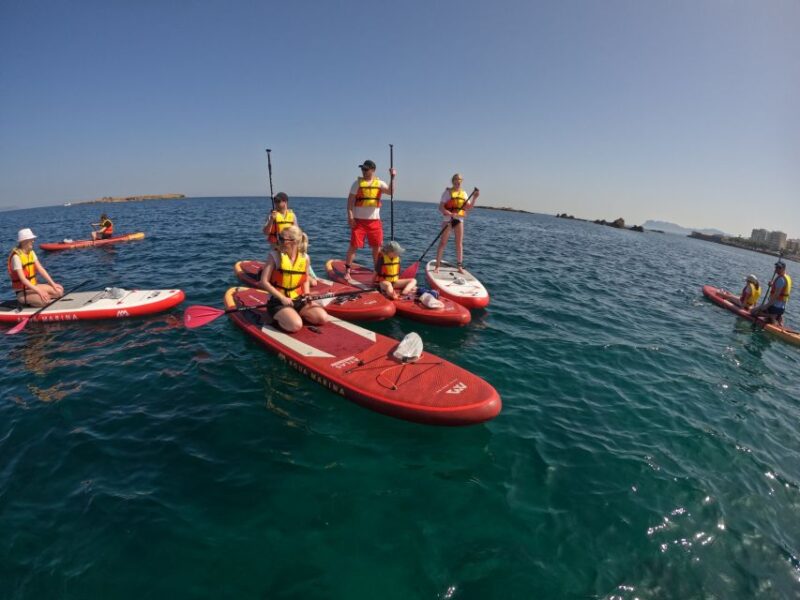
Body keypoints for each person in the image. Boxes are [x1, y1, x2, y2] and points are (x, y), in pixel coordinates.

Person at [258, 226, 329, 332]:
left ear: (294, 241)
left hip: (299, 299)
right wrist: (282, 298)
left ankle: (293, 314)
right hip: (278, 301)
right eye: (279, 238)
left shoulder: (305, 258)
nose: (279, 241)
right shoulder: (274, 256)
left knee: (322, 318)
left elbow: (304, 279)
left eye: (282, 239)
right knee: (295, 326)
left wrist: (307, 293)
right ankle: (275, 316)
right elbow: (263, 282)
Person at [344, 159, 396, 281]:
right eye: (362, 169)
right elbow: (350, 202)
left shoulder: (379, 183)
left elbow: (391, 192)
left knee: (377, 247)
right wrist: (350, 216)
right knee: (353, 246)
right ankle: (347, 270)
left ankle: (376, 271)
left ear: (372, 170)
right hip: (359, 221)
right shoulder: (356, 184)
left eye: (366, 169)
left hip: (374, 221)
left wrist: (392, 177)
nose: (363, 171)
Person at [434, 173, 479, 274]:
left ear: (461, 182)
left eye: (459, 180)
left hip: (459, 220)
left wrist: (475, 198)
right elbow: (441, 207)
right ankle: (437, 266)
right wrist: (449, 213)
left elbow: (469, 208)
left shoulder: (464, 193)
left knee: (459, 243)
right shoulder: (447, 192)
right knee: (443, 243)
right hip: (448, 219)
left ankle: (459, 266)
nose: (458, 182)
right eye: (456, 180)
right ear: (453, 181)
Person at [7, 228, 64, 307]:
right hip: (22, 292)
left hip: (33, 287)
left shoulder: (31, 253)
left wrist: (53, 284)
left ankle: (40, 298)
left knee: (59, 291)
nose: (33, 241)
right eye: (31, 239)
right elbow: (23, 279)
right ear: (24, 241)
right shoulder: (16, 257)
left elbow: (41, 270)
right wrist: (39, 291)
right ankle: (29, 301)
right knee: (44, 300)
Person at [751, 261, 791, 326]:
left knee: (752, 312)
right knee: (767, 319)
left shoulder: (781, 280)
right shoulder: (787, 278)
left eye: (779, 268)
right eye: (776, 267)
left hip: (774, 307)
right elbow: (781, 290)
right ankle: (777, 318)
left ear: (784, 268)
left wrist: (766, 306)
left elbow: (776, 295)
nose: (777, 269)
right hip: (781, 309)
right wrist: (772, 285)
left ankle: (771, 316)